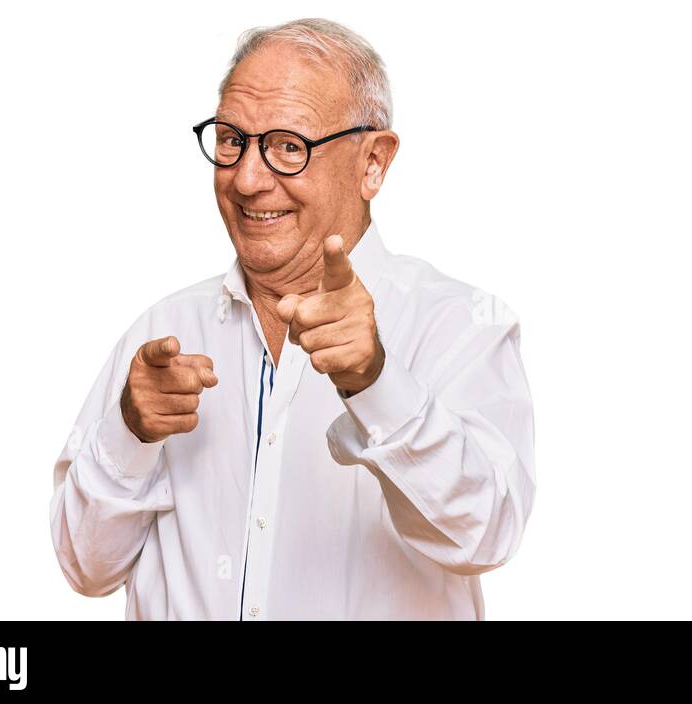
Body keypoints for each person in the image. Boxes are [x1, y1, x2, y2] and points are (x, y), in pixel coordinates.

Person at [48, 18, 535, 620]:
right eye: (231, 139)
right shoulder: (163, 332)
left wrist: (377, 383)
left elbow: (485, 535)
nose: (247, 180)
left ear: (373, 163)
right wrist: (129, 432)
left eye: (287, 147)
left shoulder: (460, 325)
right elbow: (84, 567)